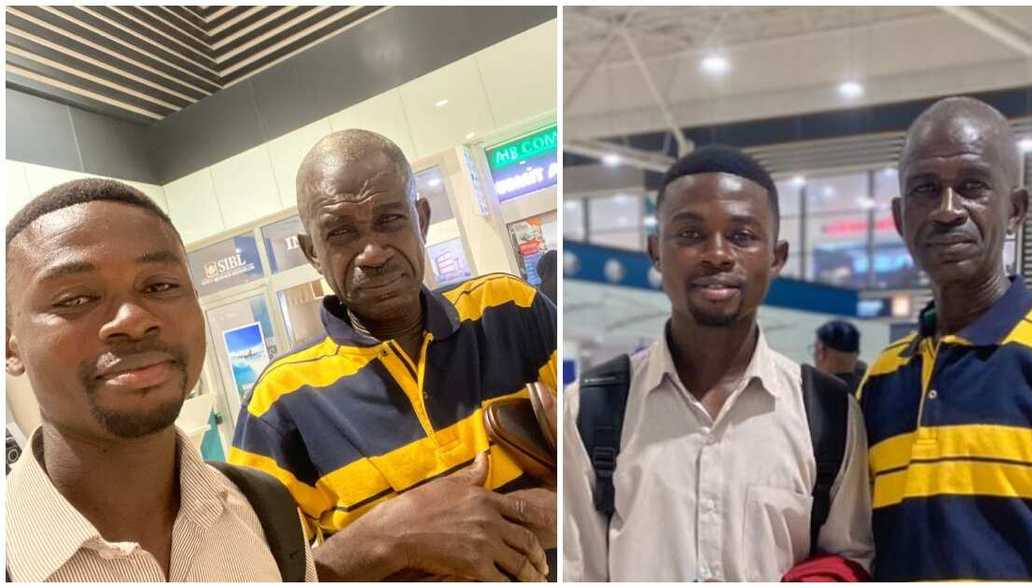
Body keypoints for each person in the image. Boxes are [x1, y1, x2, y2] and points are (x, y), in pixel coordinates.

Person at [229, 130, 558, 581]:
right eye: (341, 232)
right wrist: (387, 539)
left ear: (421, 220)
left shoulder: (509, 309)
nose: (373, 252)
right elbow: (255, 575)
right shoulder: (279, 402)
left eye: (389, 219)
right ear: (312, 253)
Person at [563, 146, 874, 581]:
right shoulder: (587, 413)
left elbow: (850, 554)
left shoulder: (829, 415)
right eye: (690, 235)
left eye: (742, 236)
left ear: (776, 257)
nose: (717, 254)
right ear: (656, 252)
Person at [4, 179, 316, 582]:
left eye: (160, 286)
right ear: (11, 348)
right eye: (75, 299)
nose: (133, 320)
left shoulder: (266, 512)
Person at [858, 97, 1032, 581]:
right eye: (925, 190)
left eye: (973, 187)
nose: (947, 210)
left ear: (1015, 210)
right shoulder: (881, 380)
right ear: (898, 217)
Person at [812, 319, 865, 393]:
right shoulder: (868, 391)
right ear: (857, 353)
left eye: (814, 348)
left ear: (821, 352)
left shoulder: (813, 393)